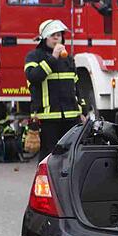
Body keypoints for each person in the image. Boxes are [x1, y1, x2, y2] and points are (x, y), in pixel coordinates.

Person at [25, 19, 85, 159]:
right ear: (45, 38)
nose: (57, 38)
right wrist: (53, 58)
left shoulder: (68, 59)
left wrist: (83, 111)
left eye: (59, 35)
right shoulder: (34, 56)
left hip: (71, 116)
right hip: (48, 118)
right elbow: (33, 77)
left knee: (71, 156)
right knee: (49, 157)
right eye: (53, 35)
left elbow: (76, 86)